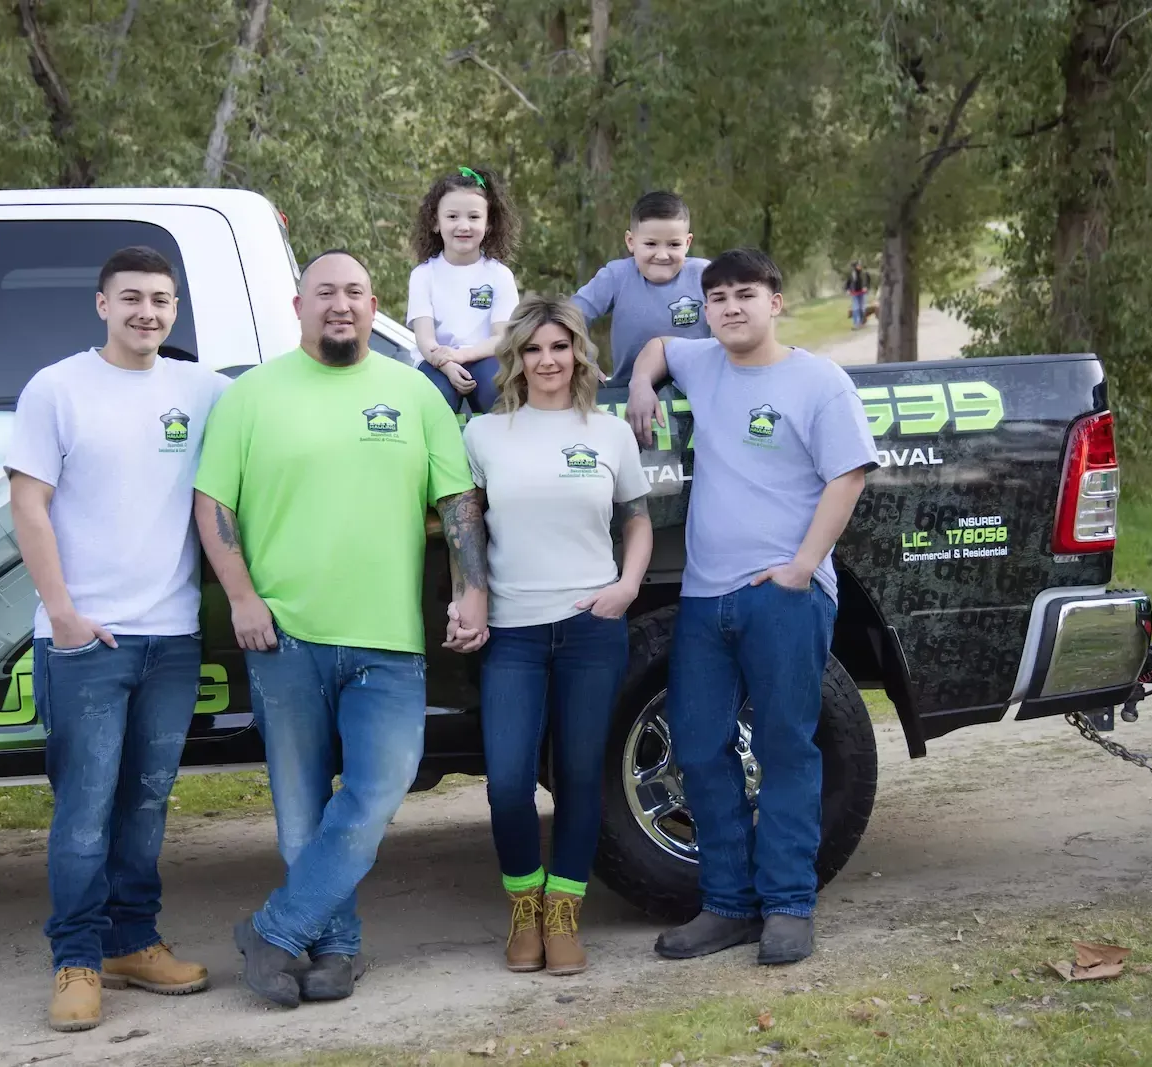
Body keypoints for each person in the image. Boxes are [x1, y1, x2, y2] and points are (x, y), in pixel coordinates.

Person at [194, 249, 489, 1009]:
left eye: (355, 292)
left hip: (389, 639)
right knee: (301, 812)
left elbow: (457, 501)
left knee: (376, 792)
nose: (341, 304)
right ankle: (336, 950)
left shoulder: (414, 393)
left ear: (372, 303)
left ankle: (274, 929)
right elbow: (213, 505)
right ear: (297, 306)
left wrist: (472, 590)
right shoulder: (249, 397)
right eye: (325, 292)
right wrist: (242, 598)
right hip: (284, 636)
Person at [625, 248, 878, 967]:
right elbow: (658, 346)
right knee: (701, 748)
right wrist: (644, 380)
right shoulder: (703, 362)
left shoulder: (817, 381)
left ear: (776, 302)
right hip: (705, 598)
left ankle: (789, 904)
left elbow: (848, 475)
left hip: (783, 597)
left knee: (785, 747)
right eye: (718, 298)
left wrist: (803, 567)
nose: (731, 308)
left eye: (746, 295)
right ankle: (728, 905)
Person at [6, 245, 228, 1033]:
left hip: (171, 637)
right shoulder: (57, 388)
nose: (147, 312)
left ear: (175, 311)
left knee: (145, 802)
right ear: (102, 304)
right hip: (84, 638)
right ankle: (75, 957)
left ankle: (132, 940)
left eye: (161, 300)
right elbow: (28, 504)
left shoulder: (203, 390)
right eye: (131, 297)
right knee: (85, 808)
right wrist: (61, 612)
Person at [462, 297, 653, 976]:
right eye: (535, 349)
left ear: (578, 354)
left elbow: (635, 518)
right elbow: (466, 529)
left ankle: (565, 909)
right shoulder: (485, 435)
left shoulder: (607, 432)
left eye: (560, 347)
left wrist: (627, 586)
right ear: (517, 358)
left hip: (591, 628)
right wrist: (470, 598)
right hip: (511, 632)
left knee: (578, 777)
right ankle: (525, 903)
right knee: (508, 783)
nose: (548, 361)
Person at [407, 166, 521, 413]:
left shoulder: (499, 275)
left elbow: (502, 338)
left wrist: (462, 356)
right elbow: (425, 339)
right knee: (435, 395)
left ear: (489, 224)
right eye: (452, 217)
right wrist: (447, 364)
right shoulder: (422, 275)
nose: (463, 225)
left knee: (497, 386)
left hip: (485, 359)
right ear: (436, 223)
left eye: (473, 217)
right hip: (436, 363)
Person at [573, 191, 711, 385]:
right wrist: (585, 363)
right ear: (631, 242)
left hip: (697, 391)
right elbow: (571, 314)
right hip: (628, 393)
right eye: (651, 244)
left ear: (687, 243)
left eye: (673, 244)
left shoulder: (705, 275)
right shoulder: (616, 276)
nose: (662, 255)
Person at [844, 260, 872, 328]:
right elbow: (848, 282)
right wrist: (847, 289)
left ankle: (862, 322)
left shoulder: (864, 273)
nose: (860, 266)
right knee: (856, 307)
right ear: (855, 266)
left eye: (860, 265)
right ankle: (856, 323)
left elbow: (868, 281)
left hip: (862, 292)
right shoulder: (852, 274)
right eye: (858, 265)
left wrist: (866, 287)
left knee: (862, 307)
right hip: (855, 292)